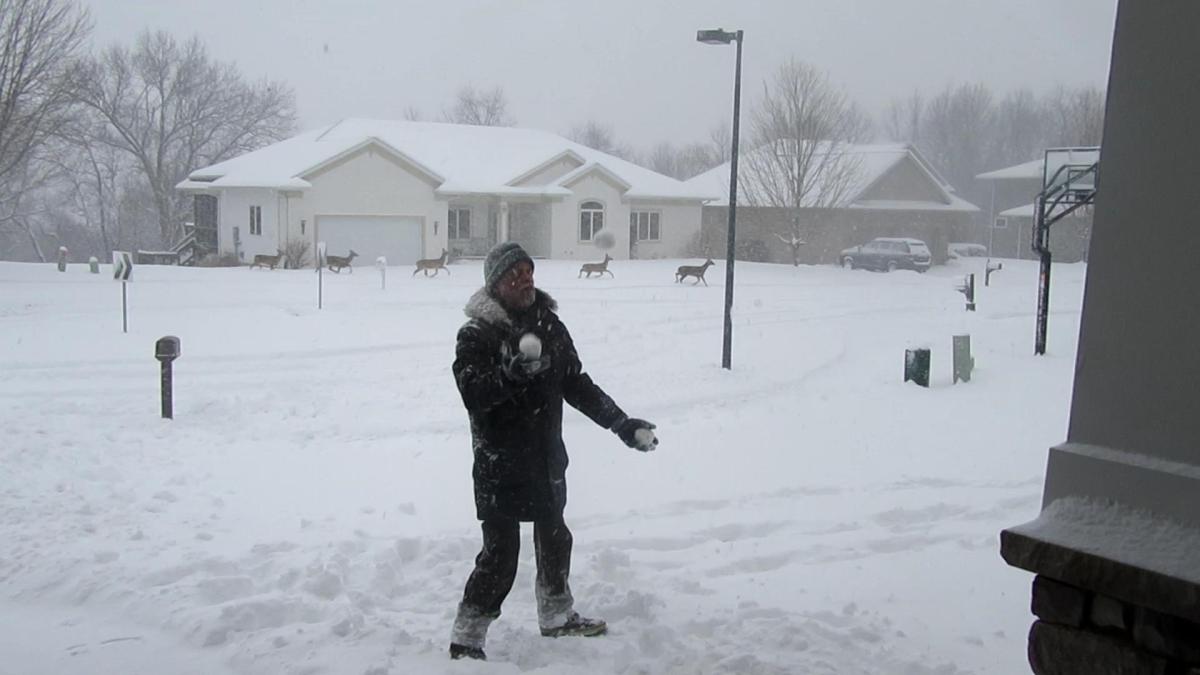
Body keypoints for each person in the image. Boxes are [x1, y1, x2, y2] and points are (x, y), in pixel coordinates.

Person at [448, 242, 658, 661]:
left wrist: (621, 423)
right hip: (499, 465)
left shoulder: (549, 326)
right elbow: (474, 393)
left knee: (556, 538)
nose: (525, 280)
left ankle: (558, 616)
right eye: (514, 275)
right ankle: (467, 637)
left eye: (529, 272)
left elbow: (576, 383)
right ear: (495, 285)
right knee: (500, 556)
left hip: (545, 461)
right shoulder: (477, 334)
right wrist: (509, 376)